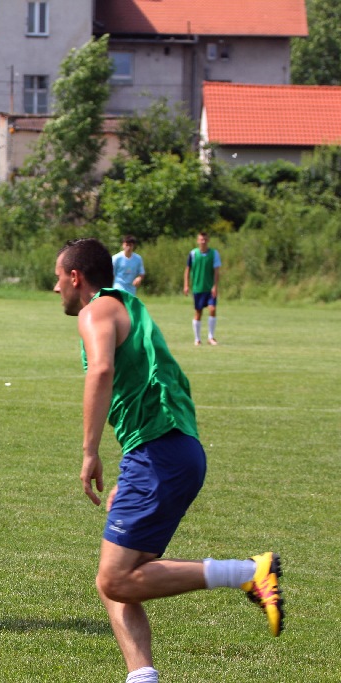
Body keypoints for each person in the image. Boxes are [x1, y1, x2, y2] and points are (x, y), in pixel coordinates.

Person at [54, 237, 282, 683]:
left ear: (75, 277)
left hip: (161, 453)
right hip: (168, 449)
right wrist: (131, 462)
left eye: (58, 278)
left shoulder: (95, 310)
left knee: (115, 580)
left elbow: (101, 371)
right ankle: (142, 677)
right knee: (116, 578)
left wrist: (89, 452)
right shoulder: (128, 306)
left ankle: (249, 573)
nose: (56, 288)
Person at [183, 232, 221, 346]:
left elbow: (217, 271)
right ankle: (197, 339)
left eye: (205, 239)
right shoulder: (193, 254)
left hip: (209, 289)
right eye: (201, 239)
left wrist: (215, 286)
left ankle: (211, 337)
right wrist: (186, 285)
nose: (203, 241)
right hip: (198, 288)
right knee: (198, 312)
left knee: (212, 309)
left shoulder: (214, 253)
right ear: (197, 241)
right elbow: (187, 269)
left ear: (208, 240)